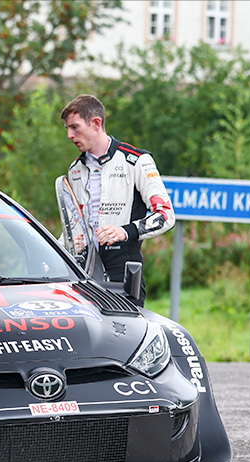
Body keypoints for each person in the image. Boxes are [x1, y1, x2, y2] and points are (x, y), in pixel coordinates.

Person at [61, 94, 174, 304]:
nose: (69, 135)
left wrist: (124, 231)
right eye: (67, 128)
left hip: (123, 266)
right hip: (83, 269)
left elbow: (165, 215)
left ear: (96, 123)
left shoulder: (137, 161)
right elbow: (74, 224)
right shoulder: (75, 169)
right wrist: (61, 247)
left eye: (75, 127)